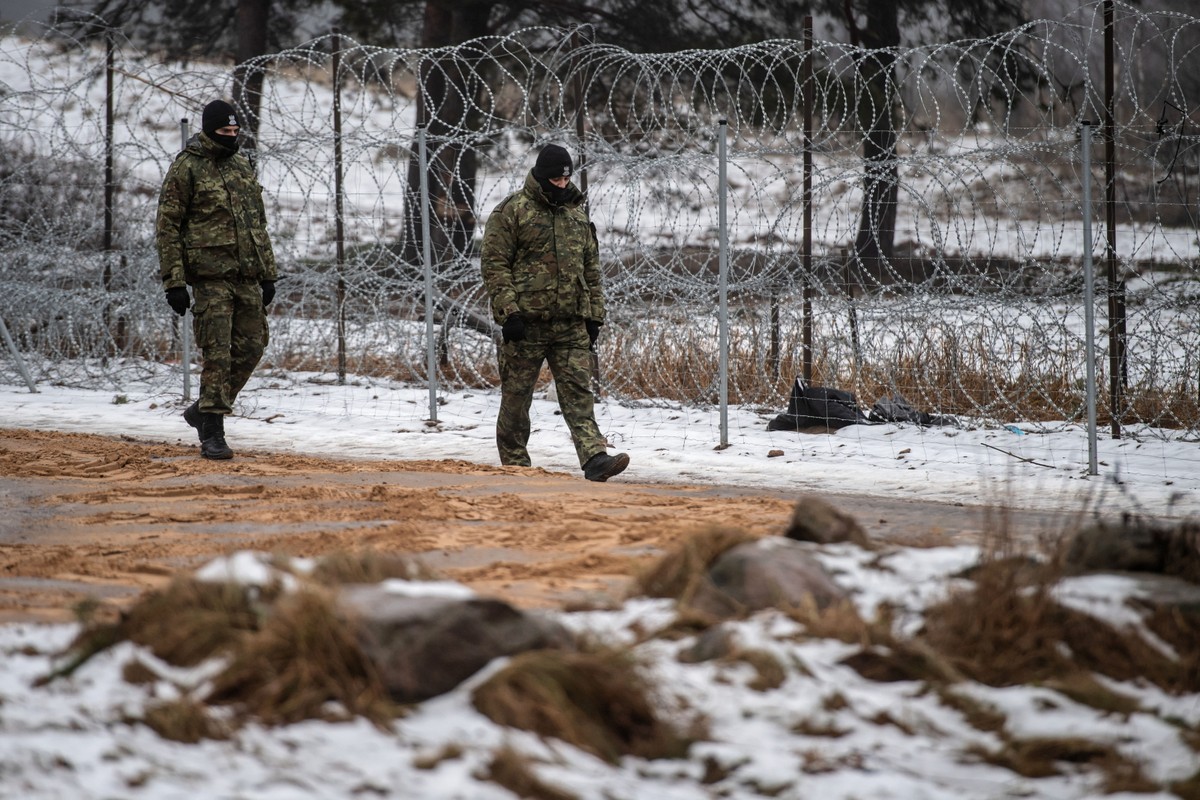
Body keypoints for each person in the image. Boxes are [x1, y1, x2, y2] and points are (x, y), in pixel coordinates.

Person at [480, 143, 629, 482]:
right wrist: (509, 313)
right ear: (541, 176)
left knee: (579, 394)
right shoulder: (512, 212)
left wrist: (594, 315)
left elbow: (590, 268)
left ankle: (595, 459)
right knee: (516, 400)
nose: (562, 185)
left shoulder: (576, 214)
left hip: (570, 324)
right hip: (526, 325)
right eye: (556, 180)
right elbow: (494, 264)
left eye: (566, 179)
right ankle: (516, 464)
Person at [156, 99, 278, 460]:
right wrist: (173, 281)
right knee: (218, 353)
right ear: (209, 131)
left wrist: (268, 274)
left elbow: (258, 224)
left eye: (235, 131)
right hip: (209, 278)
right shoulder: (187, 168)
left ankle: (202, 410)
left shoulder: (241, 166)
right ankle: (212, 431)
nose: (232, 137)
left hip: (246, 276)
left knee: (252, 347)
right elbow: (168, 228)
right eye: (225, 132)